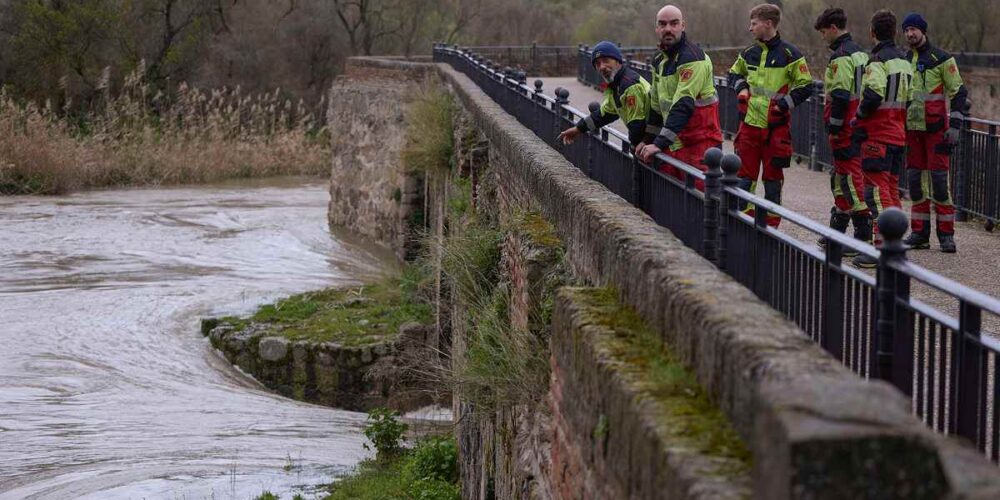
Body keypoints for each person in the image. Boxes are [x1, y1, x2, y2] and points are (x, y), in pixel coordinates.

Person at [726, 3, 814, 227]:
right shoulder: (748, 53)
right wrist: (741, 87)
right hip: (749, 127)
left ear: (768, 24)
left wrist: (784, 104)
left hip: (776, 129)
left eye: (754, 24)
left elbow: (806, 86)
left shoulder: (790, 54)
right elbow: (733, 74)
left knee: (773, 181)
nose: (750, 28)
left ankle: (770, 228)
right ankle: (743, 224)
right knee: (744, 179)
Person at [901, 12, 969, 253]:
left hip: (937, 132)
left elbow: (959, 93)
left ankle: (946, 235)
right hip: (912, 131)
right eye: (906, 30)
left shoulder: (942, 59)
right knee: (915, 183)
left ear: (923, 30)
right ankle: (919, 233)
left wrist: (955, 127)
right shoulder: (905, 59)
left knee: (940, 183)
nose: (910, 34)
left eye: (913, 29)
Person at [636, 4, 723, 189]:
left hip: (700, 144)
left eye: (674, 23)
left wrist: (659, 143)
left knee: (699, 202)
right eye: (663, 24)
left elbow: (684, 103)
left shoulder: (693, 58)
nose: (668, 29)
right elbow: (656, 107)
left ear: (683, 26)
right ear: (657, 28)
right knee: (670, 199)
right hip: (674, 141)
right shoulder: (659, 61)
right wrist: (647, 140)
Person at [851, 9, 912, 268]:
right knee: (890, 187)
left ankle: (881, 249)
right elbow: (909, 99)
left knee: (874, 190)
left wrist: (858, 118)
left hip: (877, 134)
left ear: (872, 32)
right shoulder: (904, 60)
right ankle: (896, 244)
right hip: (898, 134)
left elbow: (873, 94)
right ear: (896, 32)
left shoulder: (877, 61)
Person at [814, 8, 870, 256]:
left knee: (848, 179)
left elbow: (840, 95)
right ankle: (838, 234)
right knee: (842, 178)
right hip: (858, 124)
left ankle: (861, 238)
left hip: (845, 127)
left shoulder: (841, 57)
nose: (823, 36)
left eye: (824, 31)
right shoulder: (861, 54)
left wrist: (834, 126)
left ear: (834, 28)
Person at [558, 41, 650, 149]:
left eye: (606, 61)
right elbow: (605, 115)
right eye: (597, 64)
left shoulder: (629, 85)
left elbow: (637, 124)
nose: (602, 67)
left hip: (658, 146)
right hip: (649, 145)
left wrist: (634, 148)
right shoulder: (615, 85)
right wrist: (578, 129)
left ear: (618, 61)